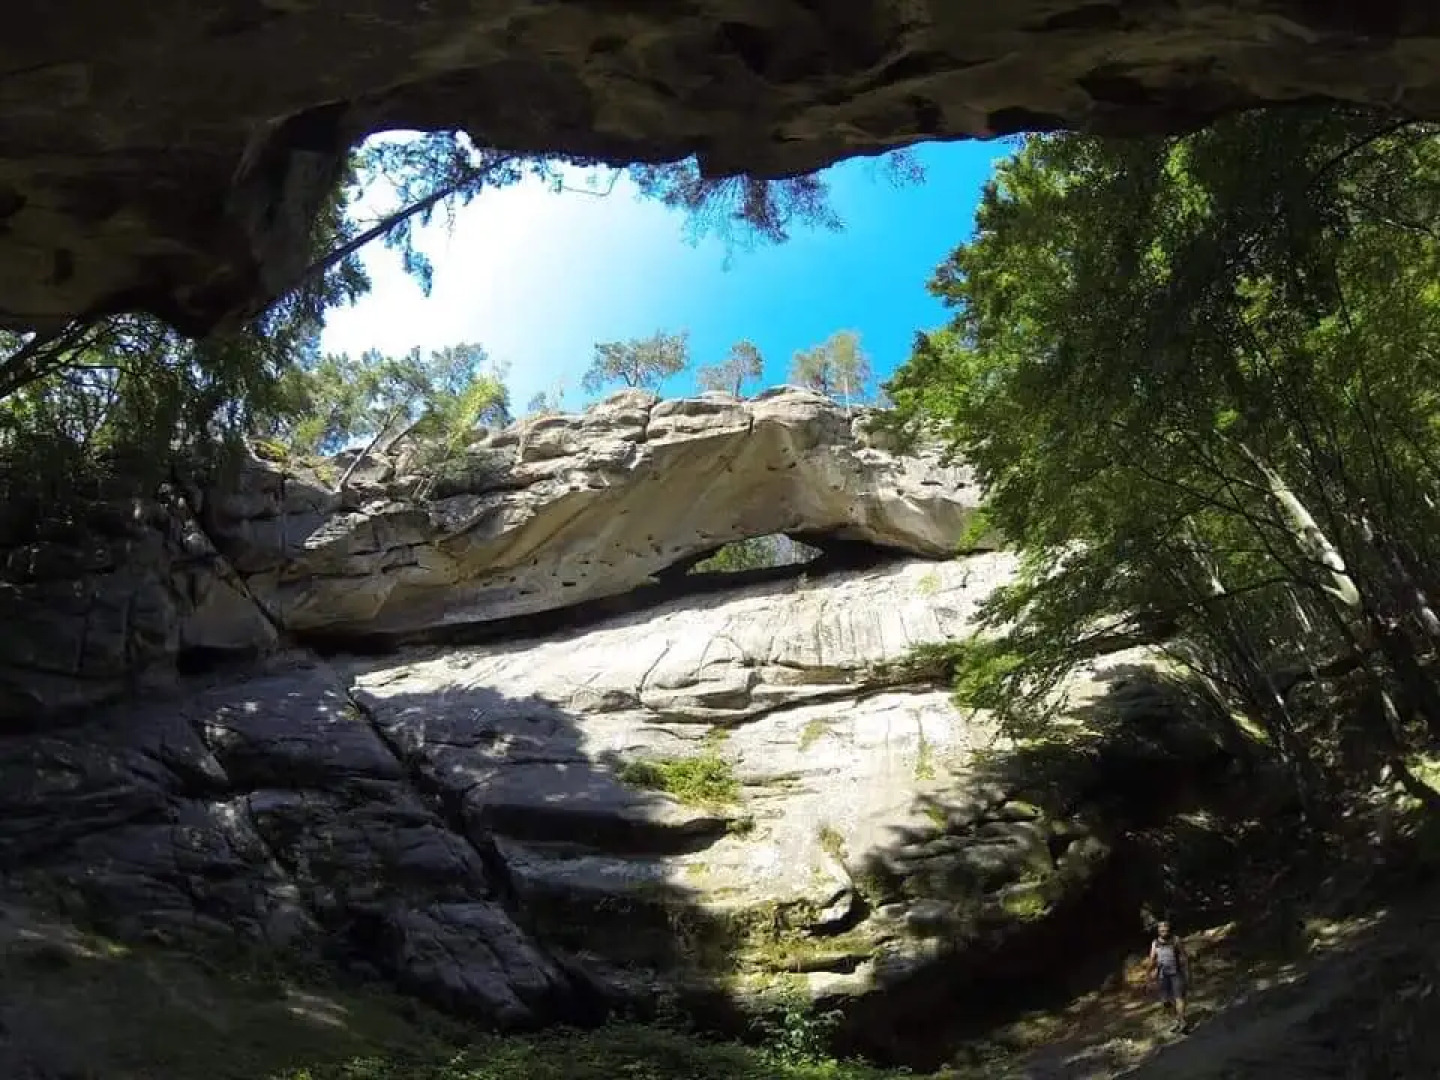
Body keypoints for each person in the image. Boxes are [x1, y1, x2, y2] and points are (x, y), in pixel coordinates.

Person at [1149, 920, 1190, 1032]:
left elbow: (1183, 956)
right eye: (1161, 930)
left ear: (1169, 929)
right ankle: (1176, 1020)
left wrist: (1187, 972)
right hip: (1163, 975)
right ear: (1158, 931)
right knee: (1165, 1001)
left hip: (1176, 973)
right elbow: (1152, 959)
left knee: (1178, 998)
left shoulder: (1175, 940)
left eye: (1165, 929)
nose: (1164, 932)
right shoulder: (1155, 943)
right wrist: (1149, 973)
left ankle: (1182, 1021)